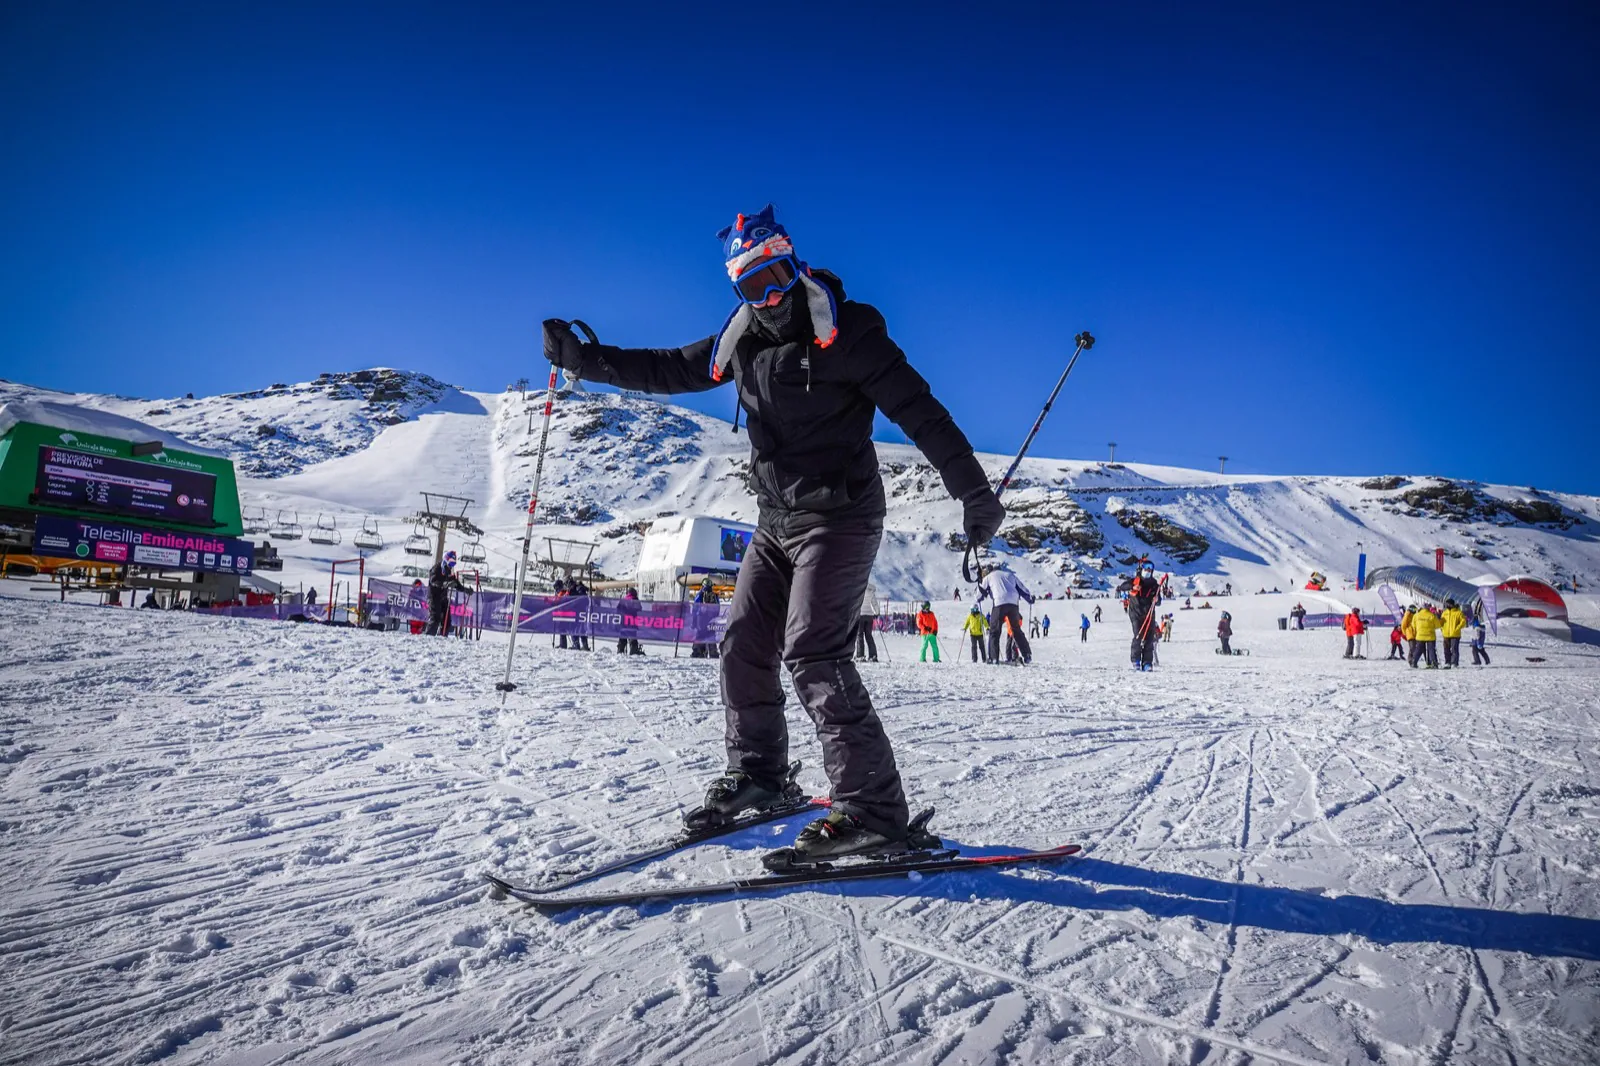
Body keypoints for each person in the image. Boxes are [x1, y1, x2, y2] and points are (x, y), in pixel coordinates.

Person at [541, 204, 1005, 860]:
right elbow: (669, 368)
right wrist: (587, 360)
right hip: (776, 519)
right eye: (754, 287)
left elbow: (921, 412)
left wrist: (975, 494)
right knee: (743, 644)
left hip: (841, 515)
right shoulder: (742, 342)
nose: (772, 296)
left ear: (798, 266)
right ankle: (760, 778)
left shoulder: (852, 332)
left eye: (780, 277)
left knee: (814, 650)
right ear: (740, 292)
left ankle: (874, 811)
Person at [977, 564, 1034, 665]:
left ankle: (994, 658)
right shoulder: (1010, 575)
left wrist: (979, 599)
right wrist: (1029, 599)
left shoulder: (989, 577)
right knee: (1016, 629)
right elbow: (1022, 588)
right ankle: (1027, 655)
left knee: (994, 631)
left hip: (999, 603)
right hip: (1013, 604)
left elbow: (980, 592)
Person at [1127, 561, 1162, 670]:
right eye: (1146, 569)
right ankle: (1135, 660)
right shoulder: (1136, 581)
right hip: (1136, 613)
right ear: (1142, 569)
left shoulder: (1154, 584)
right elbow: (1123, 586)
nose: (1148, 571)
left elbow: (1159, 601)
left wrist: (1156, 600)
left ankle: (1147, 663)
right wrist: (1132, 586)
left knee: (1149, 638)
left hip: (1149, 613)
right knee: (1138, 635)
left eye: (1150, 570)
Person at [426, 551, 469, 636]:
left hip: (444, 597)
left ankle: (442, 638)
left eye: (453, 564)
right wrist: (444, 584)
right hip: (434, 597)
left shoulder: (449, 570)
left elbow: (455, 582)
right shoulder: (436, 568)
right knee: (435, 619)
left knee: (447, 621)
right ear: (445, 560)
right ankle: (428, 638)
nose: (451, 566)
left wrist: (465, 590)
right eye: (450, 563)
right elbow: (433, 581)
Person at [691, 577, 720, 659]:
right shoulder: (714, 595)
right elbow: (718, 607)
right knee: (711, 634)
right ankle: (713, 652)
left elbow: (695, 608)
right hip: (711, 618)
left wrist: (694, 621)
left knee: (700, 635)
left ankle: (698, 652)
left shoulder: (700, 594)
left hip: (701, 618)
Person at [1439, 598, 1467, 668]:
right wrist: (1442, 629)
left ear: (1452, 604)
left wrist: (1457, 628)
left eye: (1448, 604)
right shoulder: (1445, 613)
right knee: (1446, 649)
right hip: (1446, 634)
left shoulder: (1458, 612)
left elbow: (1463, 621)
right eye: (1446, 604)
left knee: (1454, 649)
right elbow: (1441, 622)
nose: (1447, 605)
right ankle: (1447, 662)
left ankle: (1454, 662)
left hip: (1455, 634)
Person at [1411, 602, 1441, 668]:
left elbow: (1413, 625)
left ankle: (1414, 662)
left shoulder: (1416, 615)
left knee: (1418, 649)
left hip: (1420, 635)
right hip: (1430, 635)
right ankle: (1434, 662)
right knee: (1431, 650)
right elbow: (1438, 625)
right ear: (1428, 608)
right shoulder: (1432, 615)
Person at [856, 584, 881, 662]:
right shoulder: (871, 591)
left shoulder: (858, 590)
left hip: (860, 615)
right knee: (869, 636)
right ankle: (873, 655)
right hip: (869, 616)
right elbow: (875, 603)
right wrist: (877, 613)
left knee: (860, 636)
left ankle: (860, 656)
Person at [617, 586, 645, 655]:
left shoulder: (623, 600)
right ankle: (633, 650)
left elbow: (618, 609)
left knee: (623, 636)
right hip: (632, 622)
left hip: (623, 622)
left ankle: (620, 650)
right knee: (632, 636)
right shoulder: (635, 600)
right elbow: (640, 608)